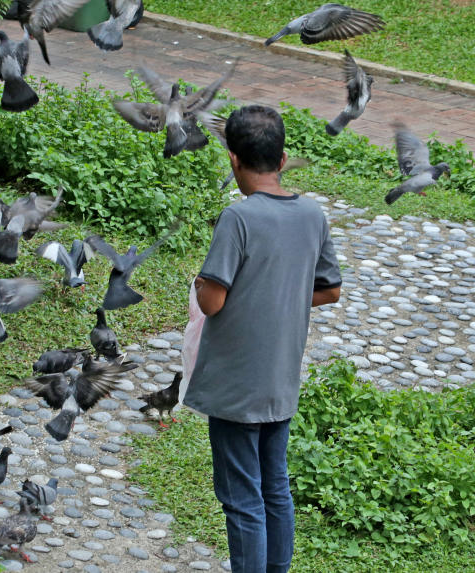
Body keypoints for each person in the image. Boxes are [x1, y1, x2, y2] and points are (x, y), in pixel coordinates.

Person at [182, 105, 341, 573]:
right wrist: (279, 295)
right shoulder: (312, 214)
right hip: (280, 378)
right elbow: (329, 290)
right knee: (275, 487)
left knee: (241, 499)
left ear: (232, 159)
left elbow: (212, 301)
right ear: (284, 157)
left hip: (237, 385)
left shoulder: (239, 217)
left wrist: (198, 283)